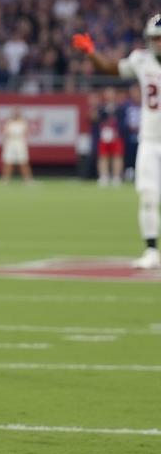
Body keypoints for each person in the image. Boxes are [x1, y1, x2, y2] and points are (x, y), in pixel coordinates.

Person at [72, 17, 161, 269]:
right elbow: (112, 69)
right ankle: (152, 250)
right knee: (148, 195)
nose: (158, 43)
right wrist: (91, 53)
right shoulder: (141, 60)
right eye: (155, 38)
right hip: (151, 139)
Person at [93, 87, 125, 187]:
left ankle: (116, 177)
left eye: (111, 93)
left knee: (117, 156)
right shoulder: (101, 107)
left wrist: (117, 131)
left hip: (116, 136)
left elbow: (122, 121)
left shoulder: (120, 107)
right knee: (103, 156)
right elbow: (96, 120)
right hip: (104, 136)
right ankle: (104, 176)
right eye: (107, 93)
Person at [0, 108, 33, 184]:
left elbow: (26, 132)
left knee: (23, 161)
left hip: (20, 142)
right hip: (10, 142)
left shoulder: (23, 123)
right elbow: (5, 132)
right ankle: (5, 179)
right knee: (8, 161)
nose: (16, 114)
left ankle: (28, 179)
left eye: (17, 113)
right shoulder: (9, 122)